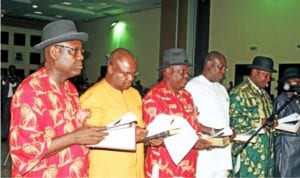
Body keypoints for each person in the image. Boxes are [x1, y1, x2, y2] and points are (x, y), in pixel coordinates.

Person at [9, 19, 107, 177]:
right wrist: (75, 137)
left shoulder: (70, 89)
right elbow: (27, 149)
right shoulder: (31, 90)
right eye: (74, 50)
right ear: (55, 52)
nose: (81, 57)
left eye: (82, 52)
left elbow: (71, 132)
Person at [142, 48, 212, 177]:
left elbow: (193, 126)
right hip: (165, 167)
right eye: (183, 72)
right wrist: (192, 143)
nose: (187, 76)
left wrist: (212, 134)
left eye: (187, 72)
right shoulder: (154, 98)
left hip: (188, 167)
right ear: (168, 71)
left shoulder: (187, 96)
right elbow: (153, 138)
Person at [80, 48, 148, 178]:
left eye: (134, 74)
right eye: (125, 74)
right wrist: (127, 135)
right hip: (109, 171)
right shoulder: (93, 96)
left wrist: (148, 138)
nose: (130, 79)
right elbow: (88, 138)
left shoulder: (134, 94)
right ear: (111, 69)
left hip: (135, 171)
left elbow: (139, 130)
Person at [185, 51, 232, 178]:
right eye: (220, 67)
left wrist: (230, 131)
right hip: (205, 153)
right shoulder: (192, 86)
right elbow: (189, 121)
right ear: (209, 64)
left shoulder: (222, 89)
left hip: (222, 154)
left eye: (225, 69)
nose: (223, 72)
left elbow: (224, 119)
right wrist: (212, 131)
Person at [229, 56, 276, 177]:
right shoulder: (239, 92)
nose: (268, 79)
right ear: (254, 72)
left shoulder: (265, 95)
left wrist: (273, 123)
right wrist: (260, 121)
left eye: (269, 76)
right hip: (249, 153)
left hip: (267, 151)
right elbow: (233, 120)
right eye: (265, 75)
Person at [273, 67, 300, 177]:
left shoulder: (297, 99)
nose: (298, 84)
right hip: (287, 148)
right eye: (295, 82)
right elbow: (277, 126)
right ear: (287, 84)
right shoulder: (281, 101)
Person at [1, 65, 21, 141]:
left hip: (15, 100)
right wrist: (8, 80)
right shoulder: (5, 78)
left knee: (14, 119)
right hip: (6, 100)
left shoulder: (18, 78)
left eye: (14, 70)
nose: (12, 71)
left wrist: (14, 81)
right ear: (9, 71)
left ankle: (13, 136)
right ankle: (4, 136)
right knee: (5, 118)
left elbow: (19, 85)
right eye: (11, 70)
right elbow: (2, 85)